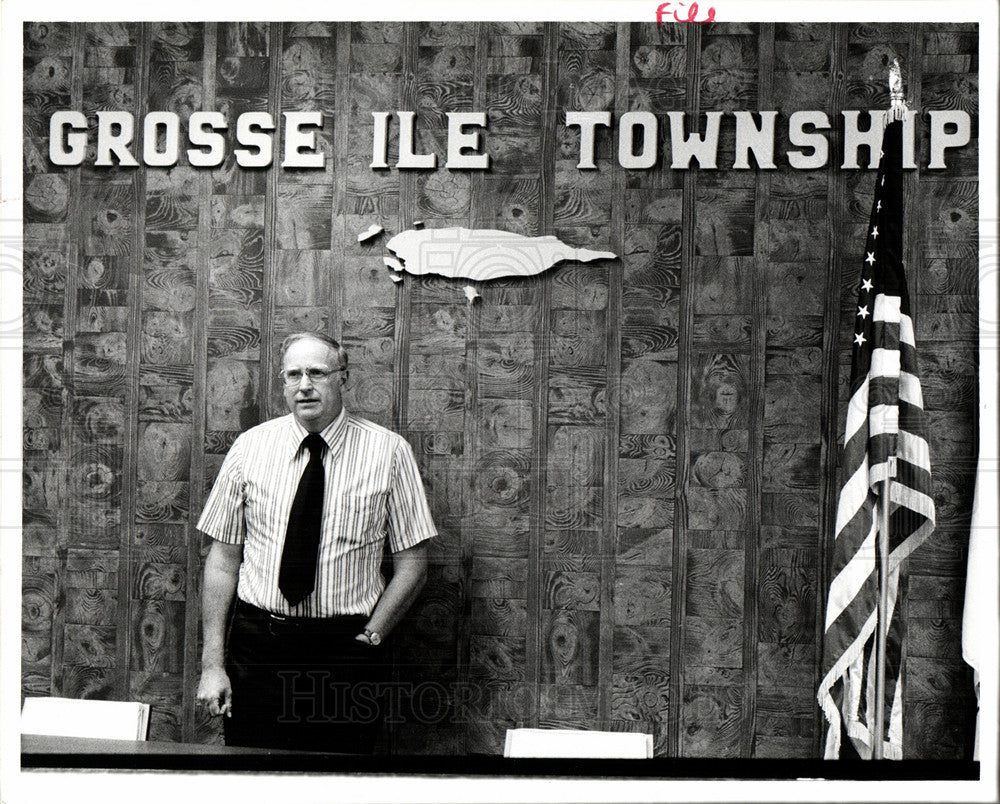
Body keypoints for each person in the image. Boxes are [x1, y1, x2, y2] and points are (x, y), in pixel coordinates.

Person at [194, 331, 435, 753]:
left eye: (317, 373)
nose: (304, 385)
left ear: (343, 377)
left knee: (339, 785)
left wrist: (371, 639)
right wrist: (213, 664)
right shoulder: (249, 448)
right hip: (259, 650)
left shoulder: (389, 452)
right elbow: (222, 561)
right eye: (294, 374)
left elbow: (413, 563)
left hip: (345, 653)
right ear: (283, 382)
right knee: (250, 781)